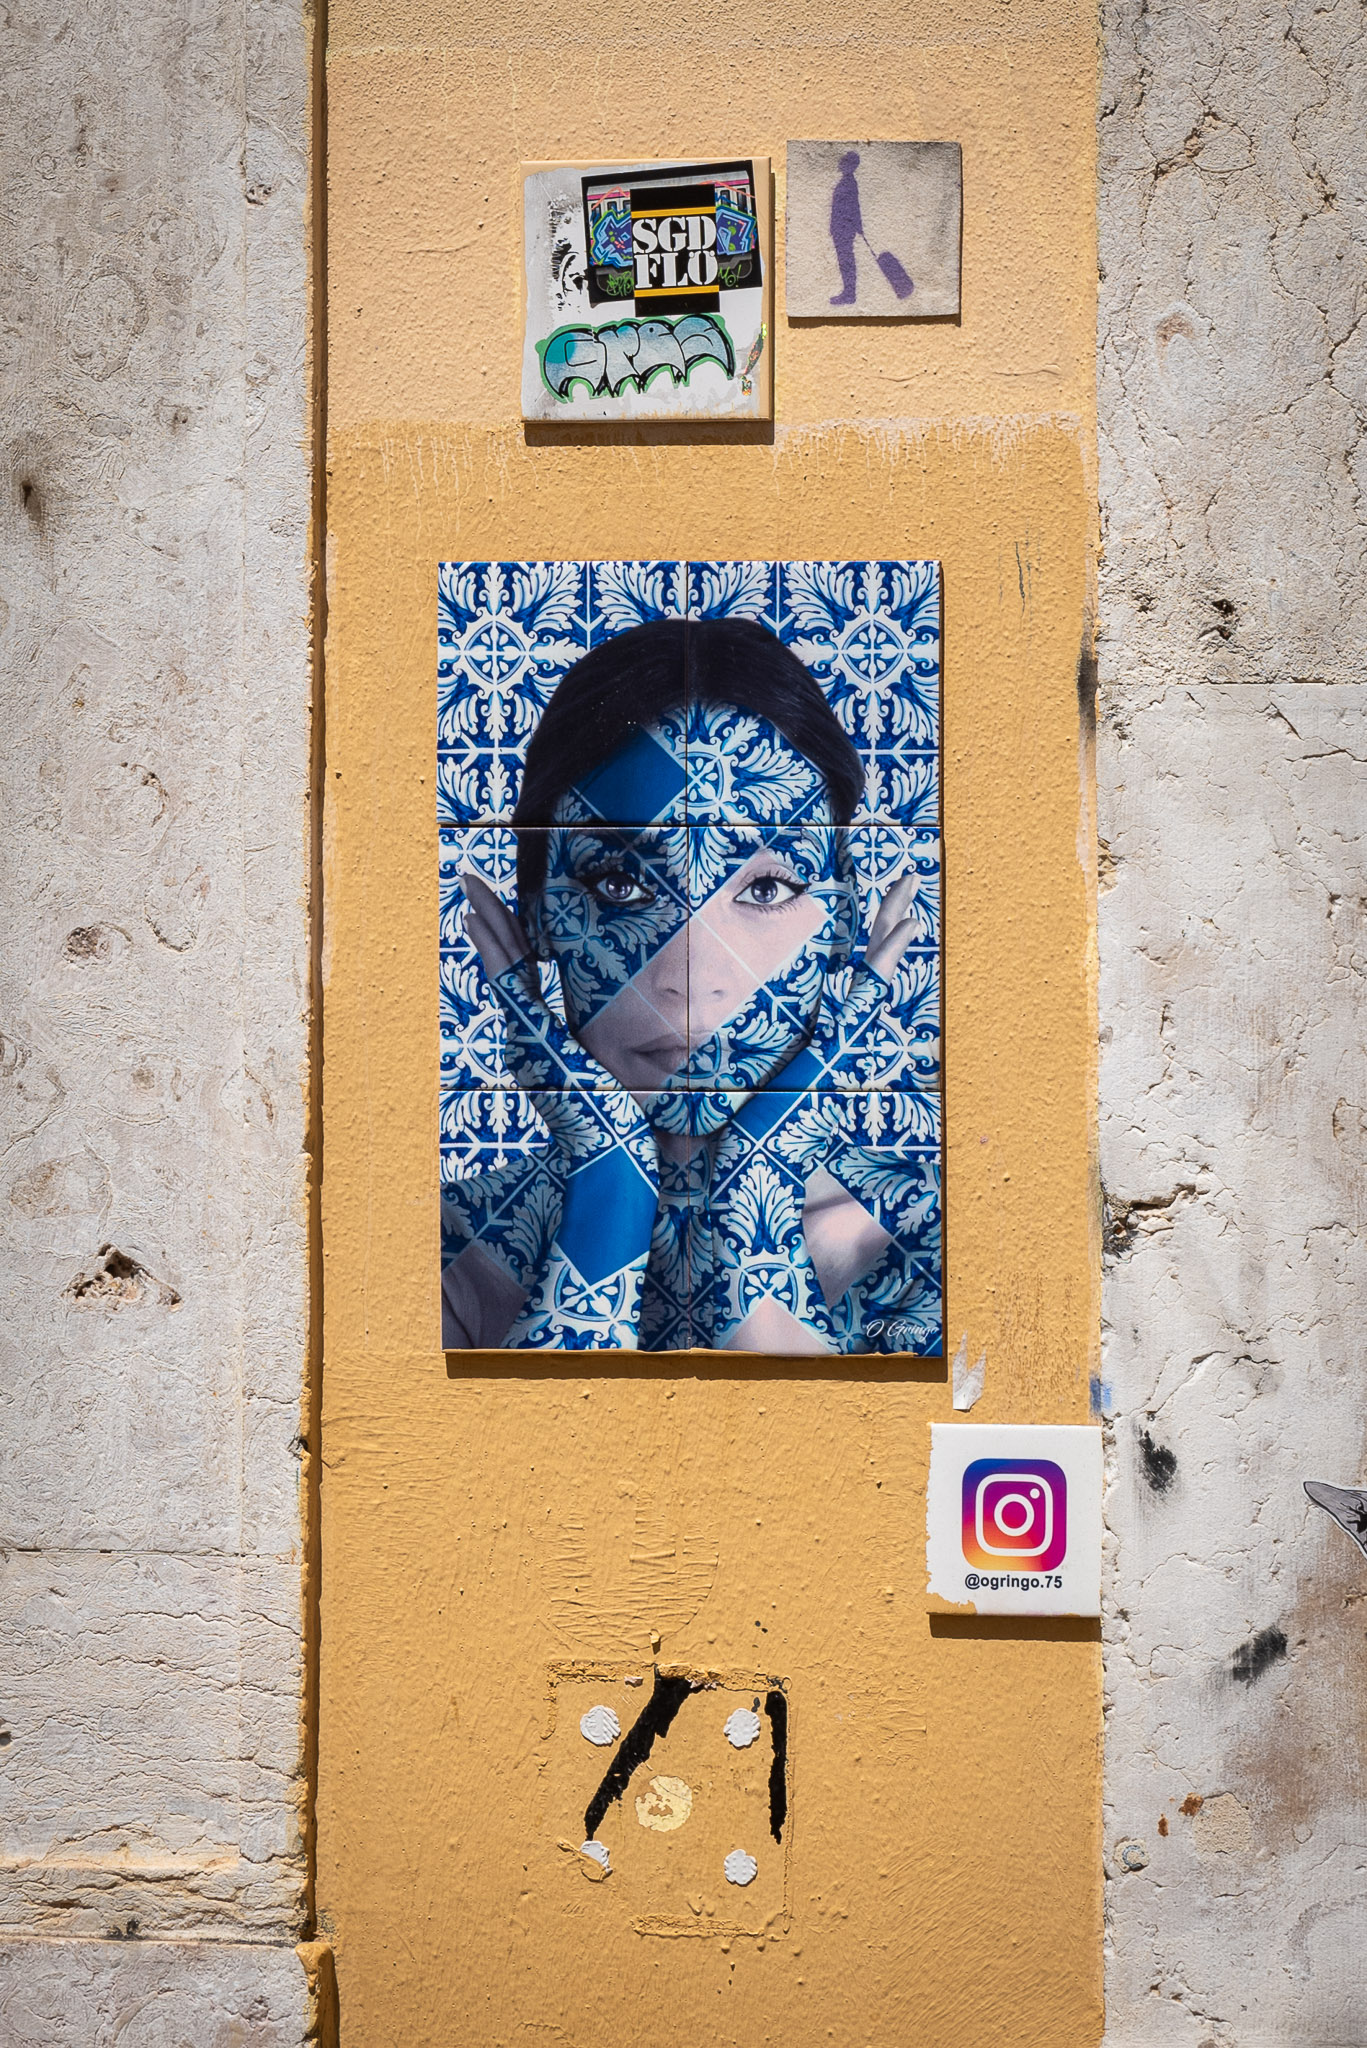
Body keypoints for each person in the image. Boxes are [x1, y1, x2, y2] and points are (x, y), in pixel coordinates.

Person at [441, 616, 941, 1353]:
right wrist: (609, 1185)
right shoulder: (445, 1251)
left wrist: (756, 1194)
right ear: (537, 916)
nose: (690, 975)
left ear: (842, 922)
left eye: (766, 889)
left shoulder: (930, 1241)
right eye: (619, 885)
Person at [829, 150, 863, 306]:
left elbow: (854, 207)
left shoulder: (849, 183)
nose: (841, 163)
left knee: (846, 261)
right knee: (845, 261)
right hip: (841, 229)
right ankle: (848, 292)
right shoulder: (846, 182)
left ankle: (849, 294)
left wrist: (857, 226)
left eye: (845, 162)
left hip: (844, 230)